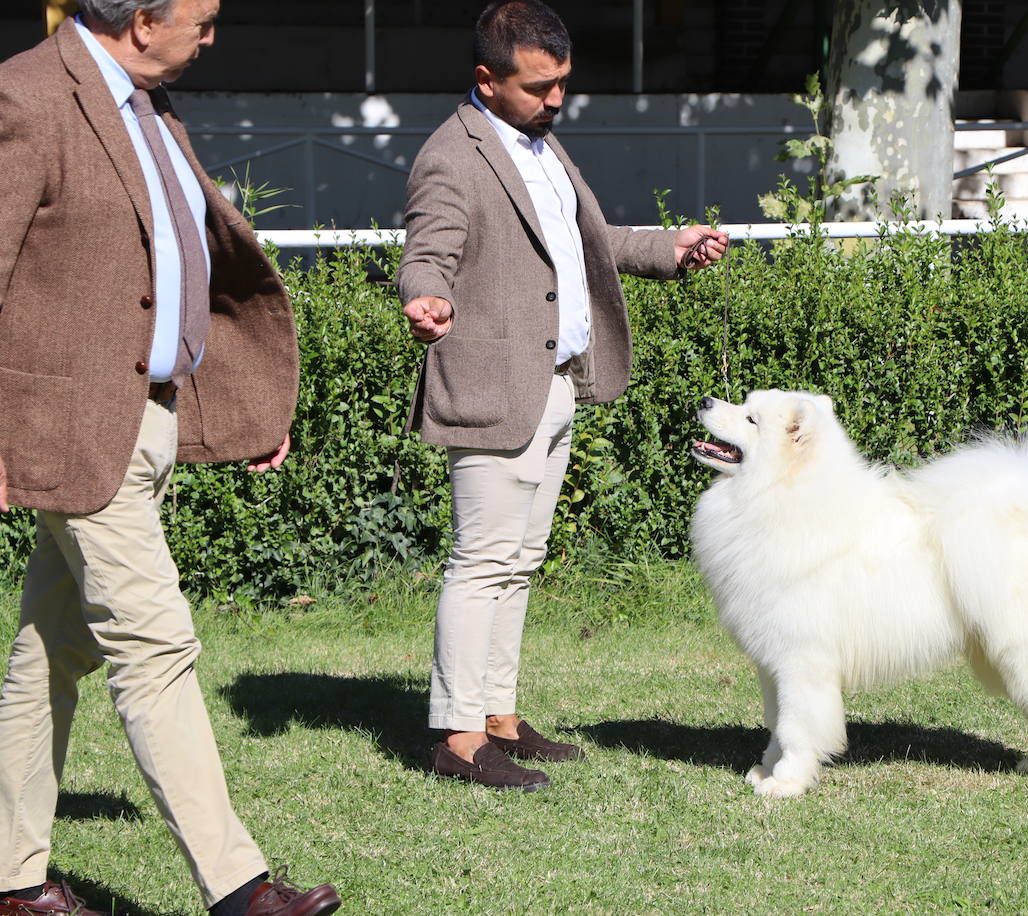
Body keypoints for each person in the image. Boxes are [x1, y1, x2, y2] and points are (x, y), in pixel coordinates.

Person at [0, 2, 341, 915]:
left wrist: (244, 404)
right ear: (145, 20)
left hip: (146, 420)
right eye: (204, 17)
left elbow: (182, 272)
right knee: (157, 647)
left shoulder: (148, 104)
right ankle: (240, 890)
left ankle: (10, 882)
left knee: (49, 655)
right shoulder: (27, 95)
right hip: (70, 431)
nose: (214, 34)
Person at [399, 0, 728, 791]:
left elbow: (586, 245)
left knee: (520, 560)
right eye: (539, 86)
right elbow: (428, 247)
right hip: (491, 386)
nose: (555, 100)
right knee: (482, 561)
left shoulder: (541, 148)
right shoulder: (453, 154)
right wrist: (425, 296)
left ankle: (501, 717)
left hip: (554, 384)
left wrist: (666, 247)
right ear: (487, 78)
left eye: (563, 85)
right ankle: (457, 733)